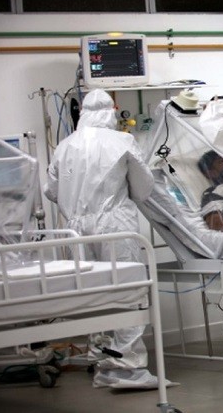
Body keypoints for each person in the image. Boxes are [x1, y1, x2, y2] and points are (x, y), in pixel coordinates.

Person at [44, 89, 163, 389]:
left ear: (83, 112)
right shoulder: (122, 141)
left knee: (92, 296)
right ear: (111, 111)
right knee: (127, 292)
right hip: (114, 225)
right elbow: (143, 189)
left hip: (76, 231)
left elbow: (51, 191)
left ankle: (102, 358)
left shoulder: (65, 146)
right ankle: (129, 368)